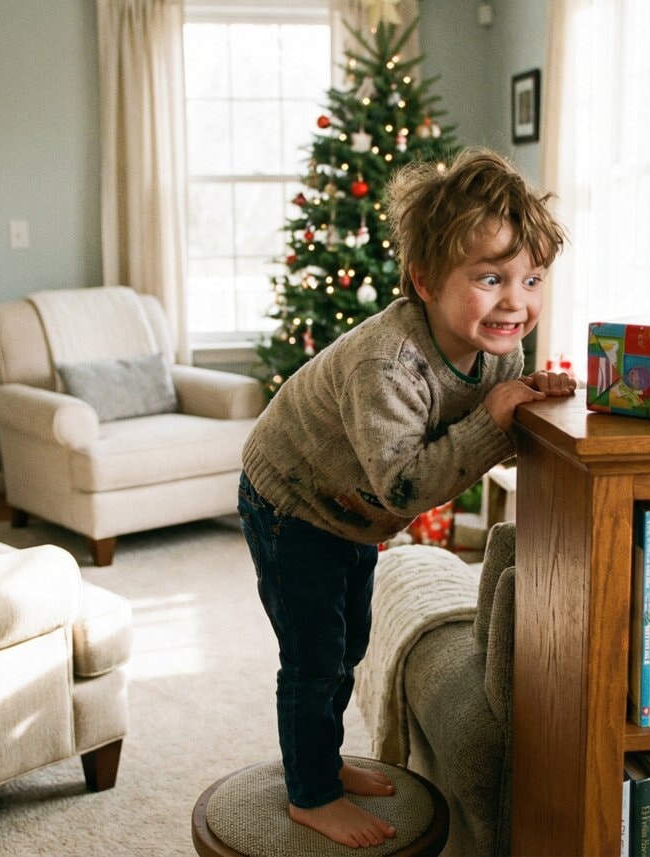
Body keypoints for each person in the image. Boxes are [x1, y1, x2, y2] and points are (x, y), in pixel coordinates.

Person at [237, 148, 571, 848]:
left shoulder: (500, 350)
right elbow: (407, 484)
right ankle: (310, 792)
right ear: (424, 280)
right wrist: (494, 420)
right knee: (315, 652)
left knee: (350, 638)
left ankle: (321, 759)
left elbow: (482, 412)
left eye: (531, 277)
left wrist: (527, 399)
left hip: (352, 515)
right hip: (292, 500)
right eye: (490, 278)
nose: (517, 300)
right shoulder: (388, 362)